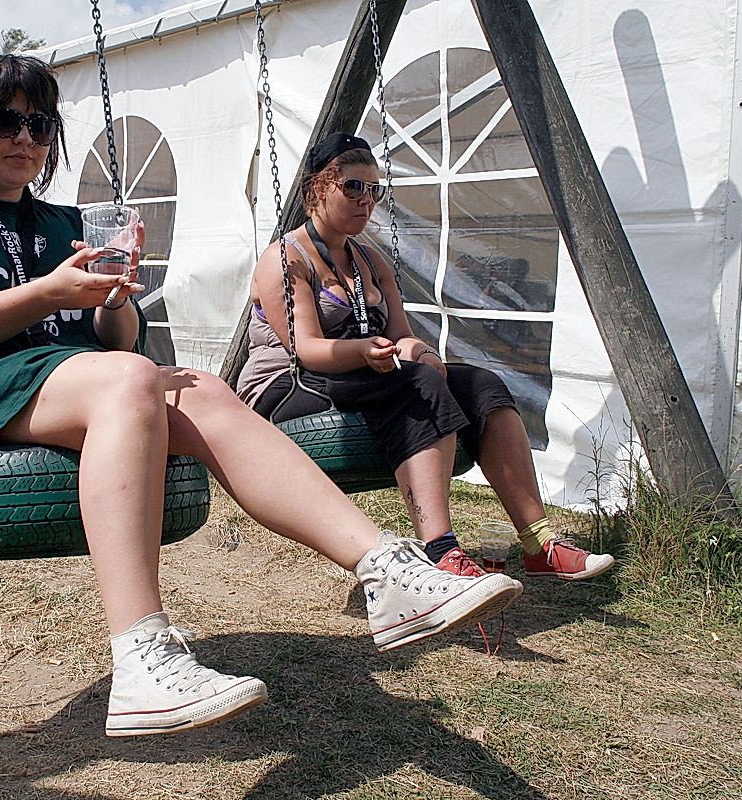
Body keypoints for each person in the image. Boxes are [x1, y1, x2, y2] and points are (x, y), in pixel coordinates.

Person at [0, 53, 523, 738]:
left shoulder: (66, 222)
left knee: (205, 389)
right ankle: (141, 657)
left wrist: (114, 298)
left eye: (39, 125)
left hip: (69, 377)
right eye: (4, 121)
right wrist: (48, 292)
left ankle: (385, 571)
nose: (24, 138)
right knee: (134, 378)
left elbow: (116, 340)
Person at [236, 132, 614, 583]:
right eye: (353, 187)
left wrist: (425, 354)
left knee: (480, 384)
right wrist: (366, 351)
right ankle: (441, 550)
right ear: (320, 188)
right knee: (418, 385)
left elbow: (401, 336)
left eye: (374, 190)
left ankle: (540, 544)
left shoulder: (370, 261)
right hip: (285, 384)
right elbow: (307, 350)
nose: (366, 201)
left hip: (360, 372)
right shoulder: (285, 258)